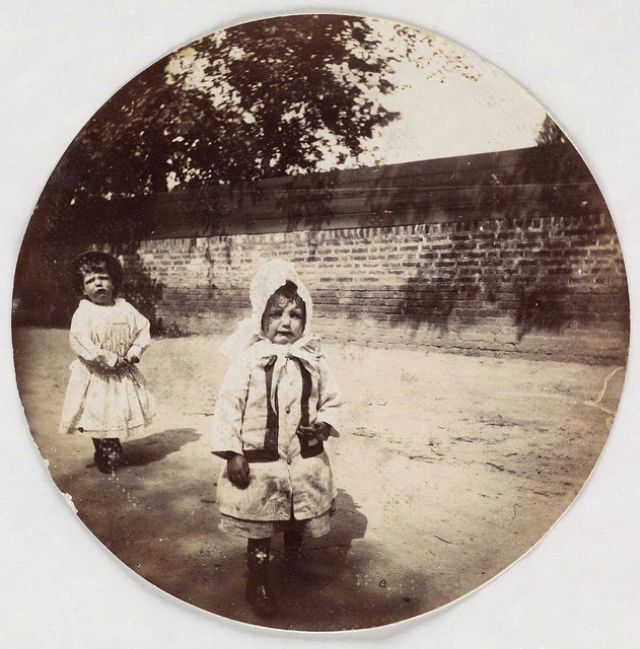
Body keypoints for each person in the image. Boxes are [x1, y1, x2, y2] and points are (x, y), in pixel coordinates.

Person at [211, 260, 340, 617]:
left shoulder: (314, 359)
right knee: (261, 519)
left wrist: (324, 424)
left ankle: (294, 560)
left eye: (295, 315)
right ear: (261, 318)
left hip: (303, 457)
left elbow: (331, 398)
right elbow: (228, 406)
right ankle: (258, 580)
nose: (286, 322)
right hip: (260, 461)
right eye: (277, 314)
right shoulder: (249, 360)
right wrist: (232, 453)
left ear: (306, 320)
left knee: (299, 511)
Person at [58, 250, 154, 474]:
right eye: (90, 281)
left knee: (117, 409)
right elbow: (81, 342)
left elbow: (143, 329)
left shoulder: (125, 308)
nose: (98, 284)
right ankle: (105, 451)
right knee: (99, 412)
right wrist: (108, 358)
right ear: (83, 289)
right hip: (96, 375)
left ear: (114, 282)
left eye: (103, 278)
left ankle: (111, 447)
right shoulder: (84, 312)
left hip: (121, 371)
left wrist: (134, 351)